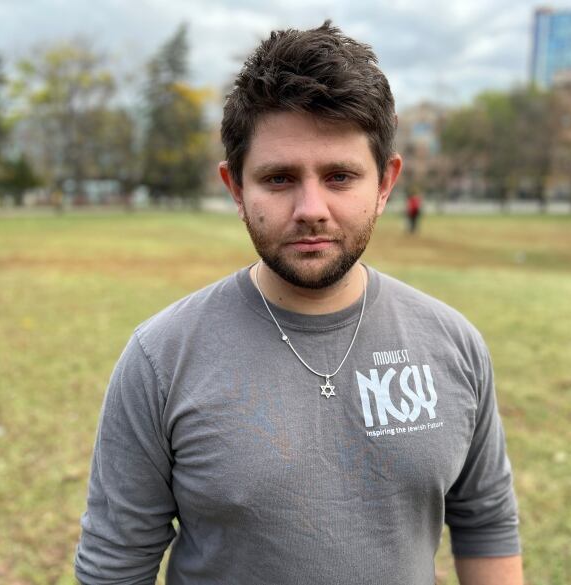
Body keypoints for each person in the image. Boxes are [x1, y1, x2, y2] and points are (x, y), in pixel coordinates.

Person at [75, 21, 522, 585]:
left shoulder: (453, 344)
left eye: (340, 176)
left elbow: (485, 521)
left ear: (386, 183)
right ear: (236, 188)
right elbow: (115, 564)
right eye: (280, 178)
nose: (311, 207)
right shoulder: (160, 358)